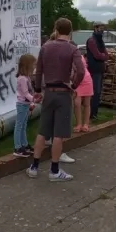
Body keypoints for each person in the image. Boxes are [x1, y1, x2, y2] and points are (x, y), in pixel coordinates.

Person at [27, 18, 85, 181]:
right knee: (58, 133)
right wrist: (74, 85)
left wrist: (38, 89)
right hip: (63, 93)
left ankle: (34, 167)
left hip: (49, 93)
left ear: (56, 29)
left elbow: (39, 71)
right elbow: (80, 71)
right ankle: (54, 171)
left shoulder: (45, 47)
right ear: (70, 31)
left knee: (42, 131)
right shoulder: (73, 49)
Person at [42, 32, 76, 164]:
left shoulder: (46, 50)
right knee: (60, 126)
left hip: (48, 89)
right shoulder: (61, 52)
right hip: (60, 90)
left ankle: (35, 165)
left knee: (47, 123)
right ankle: (56, 158)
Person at [13, 54, 38, 157]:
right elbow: (25, 93)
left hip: (26, 104)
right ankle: (17, 147)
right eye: (33, 64)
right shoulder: (22, 78)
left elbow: (30, 92)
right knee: (19, 126)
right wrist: (34, 100)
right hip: (22, 104)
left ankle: (24, 144)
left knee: (23, 125)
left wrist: (32, 102)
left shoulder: (26, 77)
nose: (34, 67)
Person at [86, 22, 109, 120]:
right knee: (95, 92)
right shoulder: (91, 40)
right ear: (95, 28)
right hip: (94, 69)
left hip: (100, 69)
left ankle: (95, 113)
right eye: (100, 28)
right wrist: (103, 56)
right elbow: (97, 55)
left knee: (98, 92)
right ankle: (91, 114)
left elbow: (106, 55)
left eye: (103, 28)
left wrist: (103, 56)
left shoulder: (100, 41)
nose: (102, 30)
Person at [72, 41, 93, 133]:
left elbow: (78, 70)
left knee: (87, 104)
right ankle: (79, 124)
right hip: (77, 82)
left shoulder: (78, 57)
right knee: (77, 104)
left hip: (86, 80)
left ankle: (86, 124)